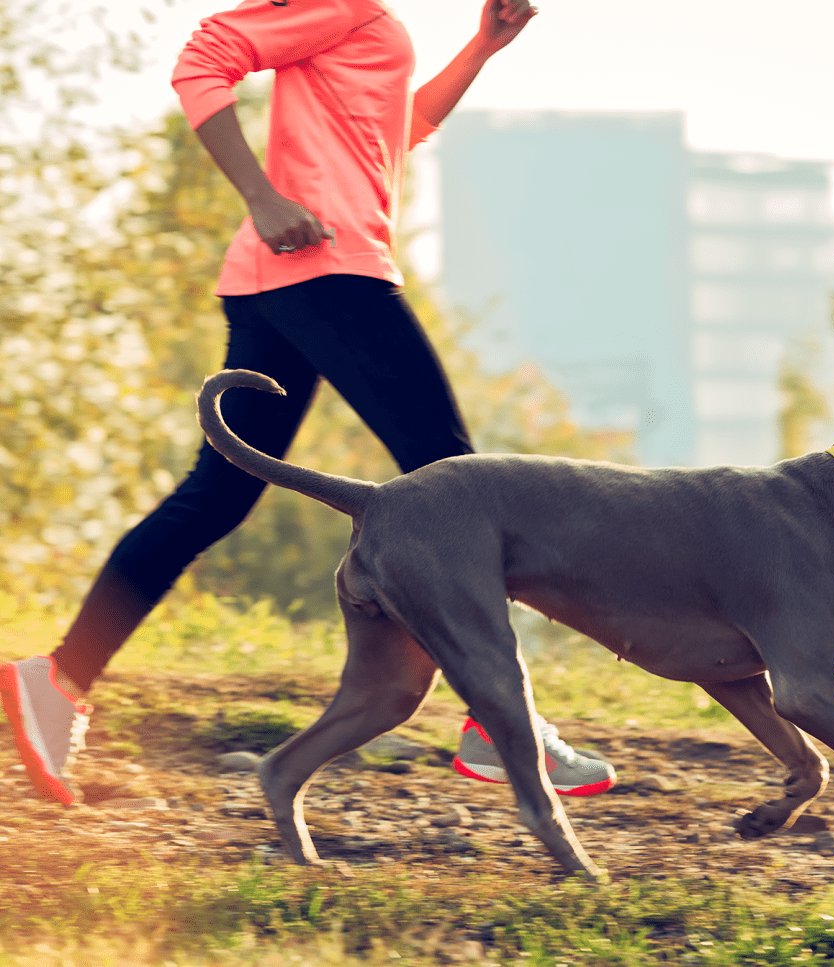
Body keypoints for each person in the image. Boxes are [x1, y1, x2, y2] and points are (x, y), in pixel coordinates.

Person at [0, 0, 614, 806]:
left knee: (216, 495)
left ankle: (60, 677)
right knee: (461, 490)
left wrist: (480, 50)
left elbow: (392, 134)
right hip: (325, 270)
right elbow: (204, 57)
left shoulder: (371, 20)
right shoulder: (346, 2)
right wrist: (260, 197)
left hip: (287, 279)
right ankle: (502, 725)